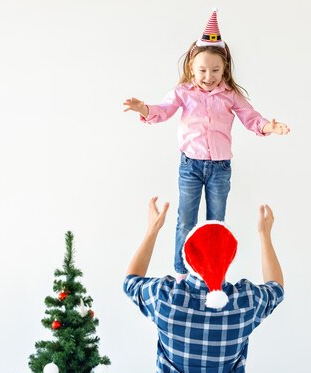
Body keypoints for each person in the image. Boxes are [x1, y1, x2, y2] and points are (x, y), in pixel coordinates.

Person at [123, 9, 291, 279]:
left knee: (215, 223)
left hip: (220, 169)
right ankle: (181, 273)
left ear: (224, 69)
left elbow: (251, 118)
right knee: (186, 221)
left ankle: (213, 274)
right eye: (202, 70)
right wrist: (143, 108)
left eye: (215, 70)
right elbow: (163, 110)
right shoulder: (183, 92)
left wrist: (269, 126)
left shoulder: (230, 95)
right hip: (189, 166)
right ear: (191, 67)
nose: (208, 76)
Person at [123, 197, 285, 373]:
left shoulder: (165, 298)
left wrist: (152, 230)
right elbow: (276, 287)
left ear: (186, 257)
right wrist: (264, 235)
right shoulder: (245, 302)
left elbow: (131, 281)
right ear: (230, 258)